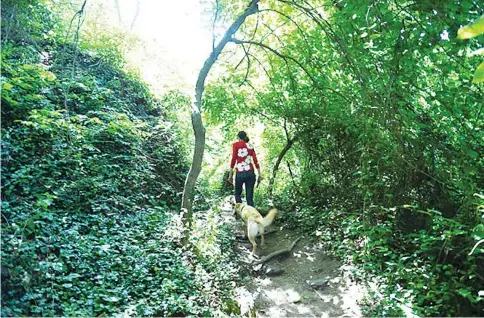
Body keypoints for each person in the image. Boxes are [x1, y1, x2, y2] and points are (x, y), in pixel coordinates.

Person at [228, 131, 261, 207]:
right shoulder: (250, 146)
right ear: (245, 137)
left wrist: (230, 175)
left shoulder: (235, 145)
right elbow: (255, 161)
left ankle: (240, 212)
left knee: (238, 194)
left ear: (238, 137)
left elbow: (233, 160)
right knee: (249, 198)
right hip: (250, 173)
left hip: (240, 173)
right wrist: (259, 174)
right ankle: (252, 215)